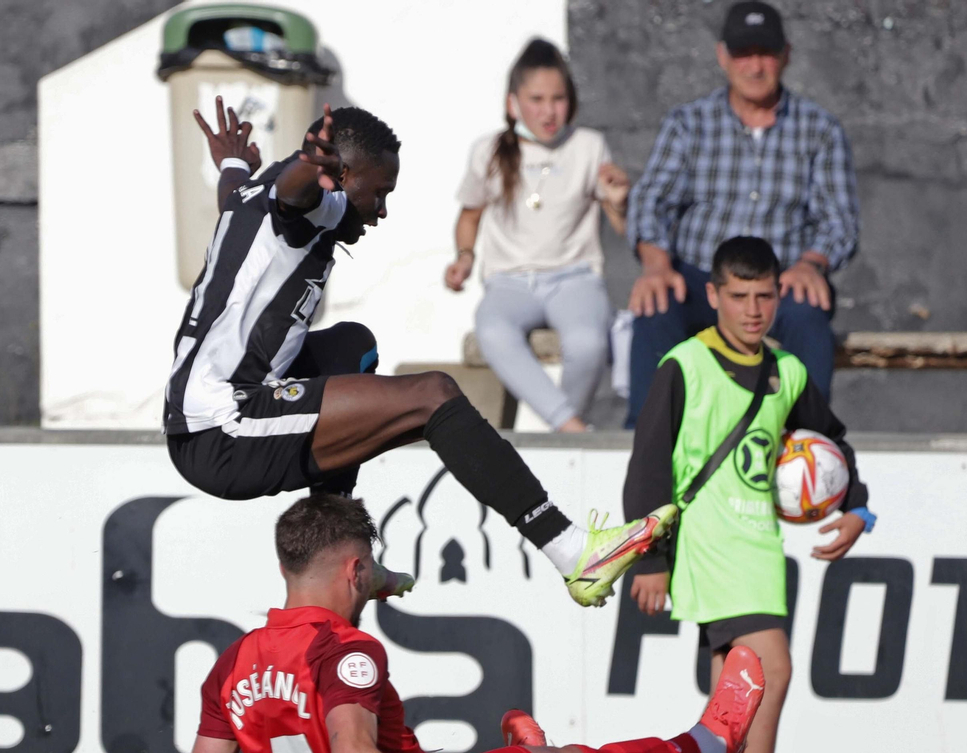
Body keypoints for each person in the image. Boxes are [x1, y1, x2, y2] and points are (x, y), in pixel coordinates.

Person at [167, 99, 674, 607]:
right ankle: (572, 553)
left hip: (209, 411)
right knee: (433, 395)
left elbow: (238, 189)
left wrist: (232, 160)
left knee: (352, 346)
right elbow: (294, 193)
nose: (381, 211)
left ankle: (344, 549)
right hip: (222, 430)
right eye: (379, 193)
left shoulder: (251, 192)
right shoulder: (311, 201)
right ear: (339, 176)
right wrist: (307, 166)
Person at [180, 494, 766, 753]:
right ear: (356, 570)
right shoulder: (344, 650)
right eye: (370, 569)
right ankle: (712, 744)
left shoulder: (233, 663)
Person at [622, 236, 875, 753]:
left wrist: (857, 508)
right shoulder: (684, 365)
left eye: (764, 296)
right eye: (739, 297)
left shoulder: (787, 371)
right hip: (709, 544)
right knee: (772, 670)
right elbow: (647, 467)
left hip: (760, 545)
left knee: (731, 702)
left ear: (779, 295)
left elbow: (832, 440)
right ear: (713, 296)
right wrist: (650, 559)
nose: (753, 310)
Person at [625, 0, 860, 428]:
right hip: (701, 278)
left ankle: (808, 442)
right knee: (655, 304)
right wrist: (656, 265)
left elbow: (839, 221)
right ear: (722, 56)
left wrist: (811, 264)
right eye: (743, 54)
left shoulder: (820, 129)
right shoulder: (688, 123)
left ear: (786, 55)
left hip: (780, 280)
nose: (754, 66)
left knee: (808, 314)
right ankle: (645, 437)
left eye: (765, 53)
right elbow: (650, 200)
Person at [444, 39, 630, 433]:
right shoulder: (489, 149)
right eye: (537, 99)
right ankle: (571, 430)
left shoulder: (589, 145)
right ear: (513, 103)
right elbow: (470, 215)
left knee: (588, 343)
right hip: (509, 281)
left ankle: (563, 432)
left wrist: (619, 203)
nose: (549, 111)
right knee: (492, 329)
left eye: (558, 99)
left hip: (575, 278)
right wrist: (464, 257)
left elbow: (624, 231)